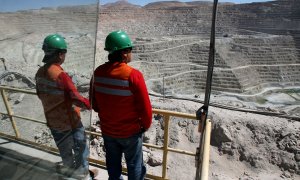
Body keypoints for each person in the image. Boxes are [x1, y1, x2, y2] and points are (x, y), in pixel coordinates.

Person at [90, 30, 152, 180]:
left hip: (108, 130)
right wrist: (144, 126)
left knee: (112, 163)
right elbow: (145, 108)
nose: (131, 53)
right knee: (134, 165)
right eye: (129, 50)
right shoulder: (133, 75)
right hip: (130, 132)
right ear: (124, 53)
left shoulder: (98, 72)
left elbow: (94, 103)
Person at [35, 34, 91, 179]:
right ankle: (83, 175)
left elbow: (40, 94)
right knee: (82, 149)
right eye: (64, 53)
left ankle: (68, 174)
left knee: (65, 153)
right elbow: (75, 98)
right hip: (70, 122)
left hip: (53, 122)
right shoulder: (60, 75)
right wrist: (91, 104)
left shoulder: (39, 73)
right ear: (60, 54)